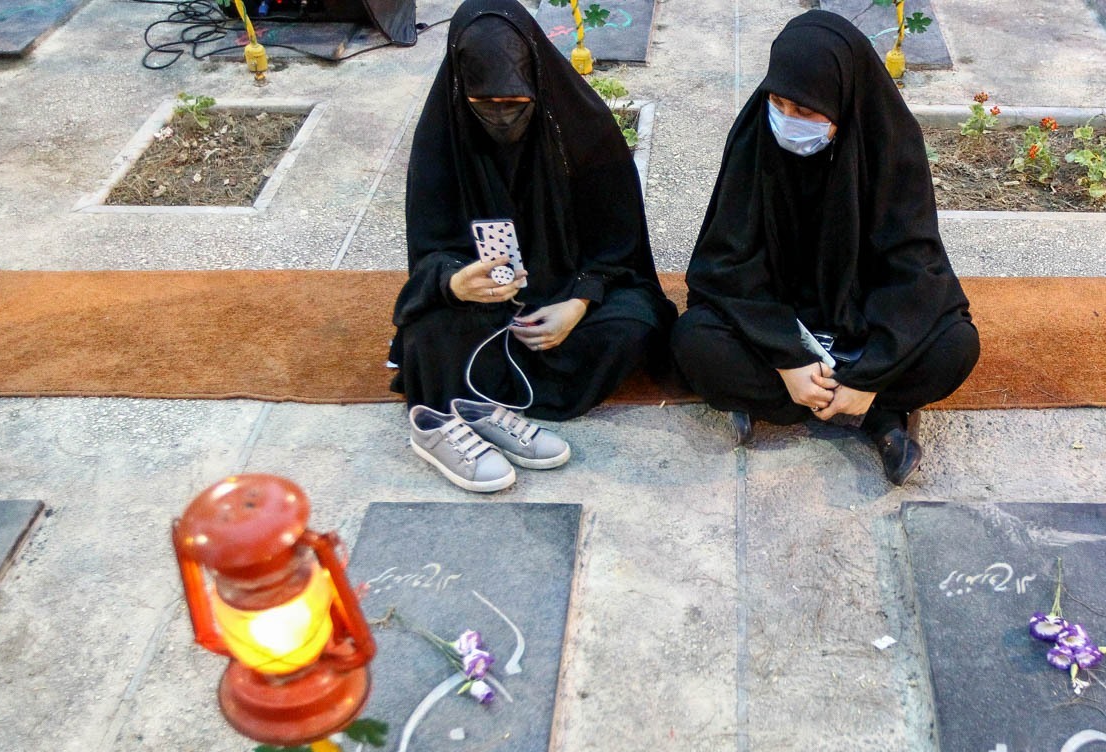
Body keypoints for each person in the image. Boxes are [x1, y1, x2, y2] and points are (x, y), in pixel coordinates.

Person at [670, 11, 979, 486]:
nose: (787, 120)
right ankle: (872, 414)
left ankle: (828, 403)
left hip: (866, 327)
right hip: (779, 325)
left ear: (844, 101)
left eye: (806, 111)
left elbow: (914, 268)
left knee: (956, 346)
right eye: (778, 102)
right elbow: (724, 264)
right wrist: (787, 358)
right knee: (695, 339)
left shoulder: (890, 144)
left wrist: (869, 374)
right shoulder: (757, 136)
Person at [390, 0, 676, 492]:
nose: (502, 118)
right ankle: (462, 416)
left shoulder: (583, 130)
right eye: (485, 104)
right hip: (484, 300)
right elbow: (430, 251)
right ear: (461, 90)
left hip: (571, 290)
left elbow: (619, 248)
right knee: (427, 330)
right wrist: (457, 282)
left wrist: (578, 302)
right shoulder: (444, 136)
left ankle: (477, 396)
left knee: (634, 323)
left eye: (516, 103)